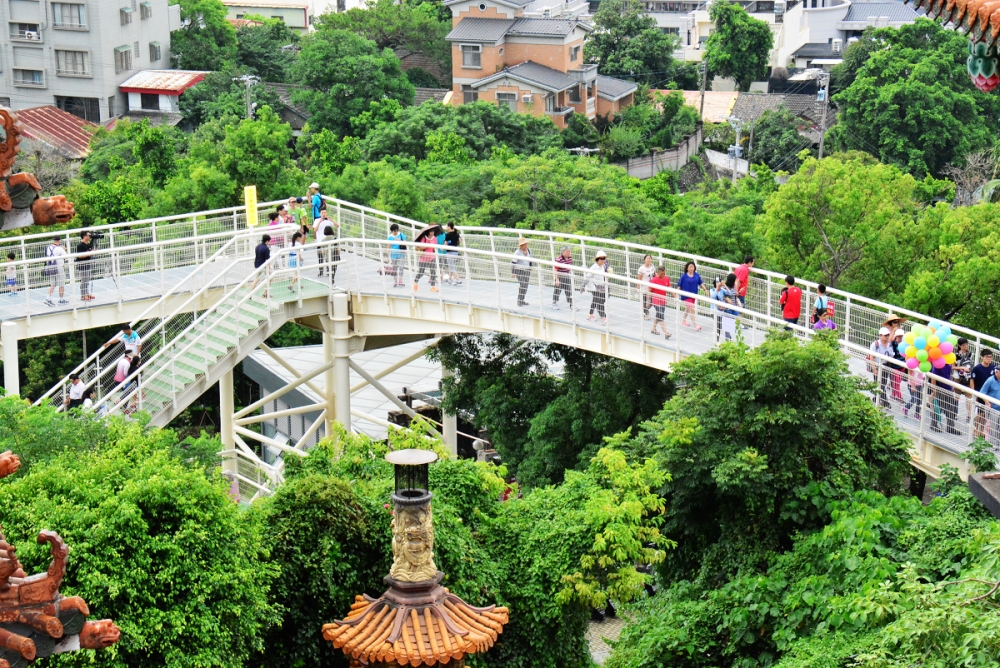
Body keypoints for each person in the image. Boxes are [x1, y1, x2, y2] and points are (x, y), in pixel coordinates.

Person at [929, 359, 960, 436]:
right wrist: (934, 389)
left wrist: (951, 385)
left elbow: (949, 375)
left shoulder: (948, 364)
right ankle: (933, 424)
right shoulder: (937, 364)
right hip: (940, 389)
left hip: (948, 389)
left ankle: (950, 427)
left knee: (951, 408)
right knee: (938, 407)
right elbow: (933, 377)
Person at [971, 349, 996, 438]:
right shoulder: (977, 368)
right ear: (982, 357)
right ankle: (975, 429)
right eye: (987, 357)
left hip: (989, 395)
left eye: (990, 357)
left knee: (985, 415)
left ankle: (981, 430)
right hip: (979, 393)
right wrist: (974, 393)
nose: (989, 359)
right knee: (980, 413)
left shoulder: (993, 367)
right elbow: (972, 380)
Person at [869, 327, 894, 410]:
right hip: (878, 366)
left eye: (888, 335)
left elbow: (891, 354)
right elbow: (871, 357)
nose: (887, 337)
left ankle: (877, 398)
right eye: (885, 335)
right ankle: (885, 402)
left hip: (886, 366)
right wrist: (874, 369)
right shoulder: (875, 344)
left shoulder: (889, 344)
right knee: (880, 384)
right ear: (880, 336)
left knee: (883, 383)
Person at [580, 250, 609, 323]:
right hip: (594, 287)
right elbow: (588, 277)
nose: (603, 260)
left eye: (604, 258)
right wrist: (583, 286)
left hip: (601, 286)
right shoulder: (594, 268)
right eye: (601, 259)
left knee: (597, 301)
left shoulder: (603, 266)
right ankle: (603, 317)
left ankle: (590, 315)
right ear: (597, 259)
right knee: (597, 301)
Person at [677, 261, 707, 330]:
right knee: (691, 309)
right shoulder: (684, 276)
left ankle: (683, 320)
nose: (691, 268)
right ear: (687, 268)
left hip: (693, 295)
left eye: (693, 266)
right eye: (690, 267)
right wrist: (676, 294)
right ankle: (695, 325)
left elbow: (701, 283)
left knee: (688, 308)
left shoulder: (696, 275)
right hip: (686, 295)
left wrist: (705, 290)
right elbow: (679, 285)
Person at [43, 236, 68, 307]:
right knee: (61, 284)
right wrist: (64, 249)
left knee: (53, 284)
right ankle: (61, 299)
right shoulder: (59, 248)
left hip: (51, 267)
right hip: (59, 267)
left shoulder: (48, 248)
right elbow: (66, 256)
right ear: (59, 241)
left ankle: (48, 298)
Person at [313, 209, 338, 277]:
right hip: (320, 241)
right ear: (320, 213)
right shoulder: (317, 220)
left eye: (325, 212)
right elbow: (315, 230)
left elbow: (337, 225)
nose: (324, 214)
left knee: (328, 256)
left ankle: (328, 270)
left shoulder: (328, 220)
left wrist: (332, 220)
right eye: (322, 212)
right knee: (320, 257)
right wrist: (319, 222)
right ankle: (321, 271)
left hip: (328, 241)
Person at [649, 266, 672, 339]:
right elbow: (649, 290)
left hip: (663, 300)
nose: (663, 275)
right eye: (661, 273)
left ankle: (653, 329)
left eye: (664, 273)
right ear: (658, 273)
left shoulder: (666, 278)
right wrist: (648, 299)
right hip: (656, 301)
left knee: (658, 314)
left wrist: (675, 296)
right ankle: (666, 333)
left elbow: (669, 287)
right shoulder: (653, 280)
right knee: (661, 316)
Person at [511, 237, 533, 306]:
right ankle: (519, 300)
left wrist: (530, 269)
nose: (525, 246)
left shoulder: (529, 250)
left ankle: (522, 300)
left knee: (525, 286)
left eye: (526, 244)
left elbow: (530, 261)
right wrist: (513, 272)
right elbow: (513, 262)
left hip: (526, 270)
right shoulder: (517, 252)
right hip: (519, 271)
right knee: (523, 284)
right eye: (524, 245)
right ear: (521, 246)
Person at [76, 231, 94, 301]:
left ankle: (87, 294)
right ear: (84, 236)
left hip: (87, 264)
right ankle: (83, 296)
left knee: (87, 280)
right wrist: (88, 254)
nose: (90, 237)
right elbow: (80, 256)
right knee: (84, 281)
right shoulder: (80, 245)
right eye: (89, 235)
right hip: (82, 265)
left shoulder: (88, 245)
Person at [709, 276, 725, 341]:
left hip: (721, 311)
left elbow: (727, 294)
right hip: (714, 311)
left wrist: (724, 286)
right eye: (717, 282)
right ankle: (716, 340)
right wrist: (717, 289)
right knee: (718, 326)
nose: (718, 284)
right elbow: (713, 296)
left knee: (721, 326)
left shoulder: (722, 290)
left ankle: (726, 339)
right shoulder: (712, 290)